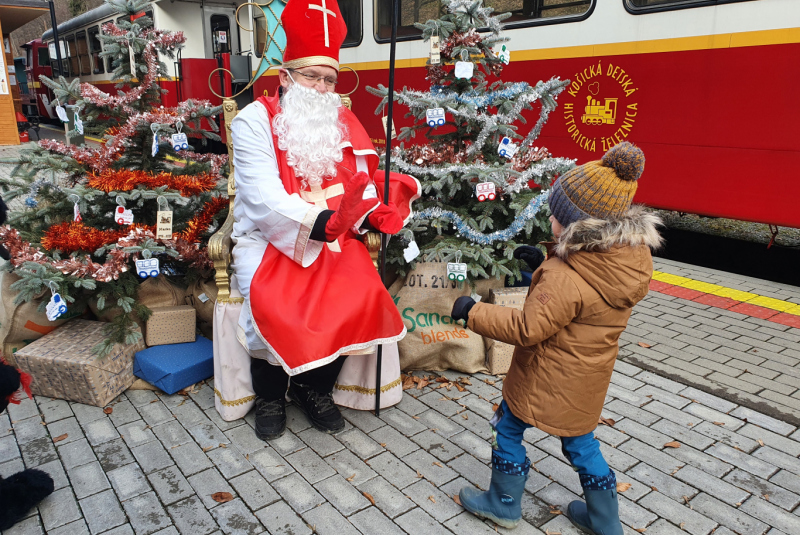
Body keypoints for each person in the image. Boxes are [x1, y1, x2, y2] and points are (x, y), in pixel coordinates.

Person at [229, 0, 418, 441]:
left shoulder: (341, 120)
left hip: (333, 235)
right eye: (311, 76)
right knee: (272, 307)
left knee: (360, 296)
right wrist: (324, 224)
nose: (320, 87)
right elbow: (262, 199)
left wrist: (370, 216)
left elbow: (362, 185)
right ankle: (272, 394)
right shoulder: (253, 121)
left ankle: (315, 389)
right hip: (268, 236)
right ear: (286, 77)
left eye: (328, 79)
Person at [451, 142, 662, 532]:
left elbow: (528, 329)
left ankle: (504, 502)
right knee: (582, 446)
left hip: (541, 377)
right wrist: (545, 262)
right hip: (586, 381)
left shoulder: (565, 277)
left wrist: (472, 311)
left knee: (508, 428)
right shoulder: (624, 260)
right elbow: (580, 302)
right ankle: (605, 521)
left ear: (574, 224)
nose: (549, 215)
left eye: (555, 212)